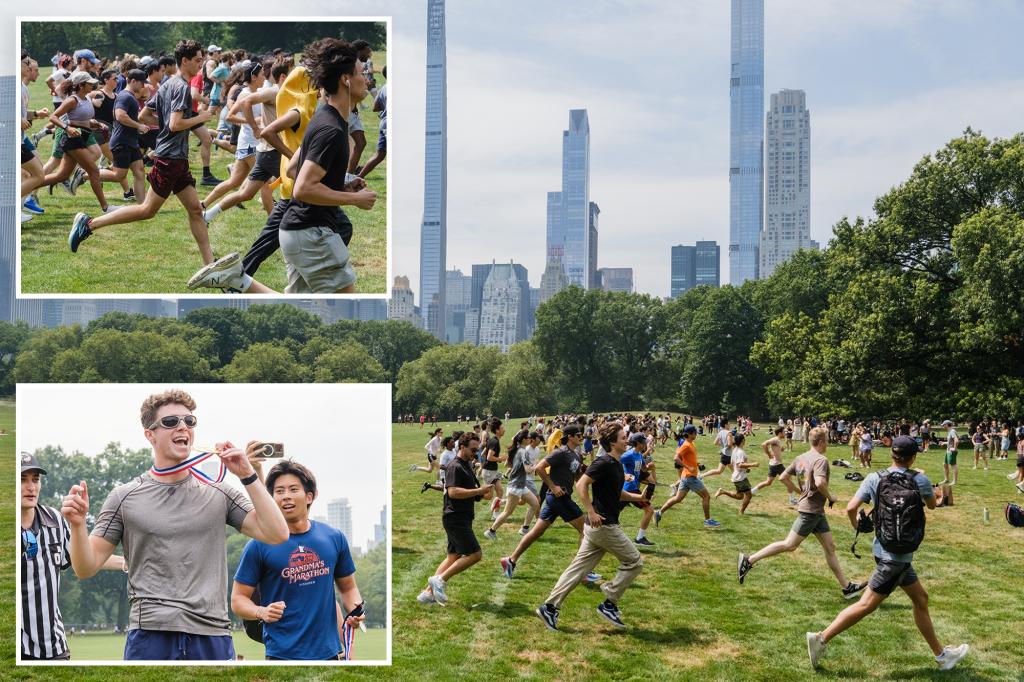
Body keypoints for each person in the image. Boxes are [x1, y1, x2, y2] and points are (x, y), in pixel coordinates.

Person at [60, 389, 289, 660]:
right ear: (150, 434)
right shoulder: (124, 496)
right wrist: (77, 526)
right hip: (150, 633)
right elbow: (85, 567)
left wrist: (248, 475)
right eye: (170, 422)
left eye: (189, 422)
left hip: (212, 632)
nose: (183, 427)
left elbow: (277, 534)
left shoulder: (219, 492)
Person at [805, 437, 969, 671]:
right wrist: (924, 482)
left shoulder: (875, 478)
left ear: (892, 454)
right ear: (913, 457)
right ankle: (820, 638)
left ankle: (942, 656)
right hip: (896, 559)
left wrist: (857, 526)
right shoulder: (919, 479)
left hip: (883, 550)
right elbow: (933, 505)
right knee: (866, 605)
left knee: (920, 599)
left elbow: (851, 508)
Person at [232, 460, 365, 660]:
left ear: (310, 496)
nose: (286, 496)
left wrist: (355, 609)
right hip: (281, 656)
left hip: (329, 654)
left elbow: (347, 588)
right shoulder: (259, 545)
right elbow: (237, 600)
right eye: (279, 491)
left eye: (293, 489)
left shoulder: (333, 538)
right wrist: (261, 611)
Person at [536, 422, 647, 631]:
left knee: (577, 570)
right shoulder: (603, 462)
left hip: (596, 528)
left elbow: (616, 492)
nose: (627, 440)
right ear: (613, 442)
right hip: (603, 525)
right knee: (634, 561)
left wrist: (637, 496)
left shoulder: (616, 463)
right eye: (623, 437)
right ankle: (609, 601)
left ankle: (549, 607)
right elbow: (581, 484)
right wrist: (591, 511)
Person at [738, 427, 866, 600]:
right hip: (811, 511)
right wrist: (831, 497)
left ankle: (847, 588)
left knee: (830, 547)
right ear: (821, 442)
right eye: (826, 441)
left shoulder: (800, 458)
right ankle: (749, 560)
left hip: (816, 511)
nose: (827, 443)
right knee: (790, 544)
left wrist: (801, 492)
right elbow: (820, 483)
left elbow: (783, 477)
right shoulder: (821, 460)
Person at [20, 452, 124, 660]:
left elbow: (83, 558)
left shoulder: (55, 520)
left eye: (35, 479)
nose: (31, 487)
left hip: (55, 648)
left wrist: (128, 562)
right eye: (22, 480)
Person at [499, 425, 598, 582]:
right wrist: (552, 486)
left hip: (559, 498)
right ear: (570, 436)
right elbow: (539, 468)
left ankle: (510, 560)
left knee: (536, 532)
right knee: (586, 530)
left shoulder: (577, 455)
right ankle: (582, 572)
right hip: (559, 497)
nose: (582, 436)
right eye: (578, 434)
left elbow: (578, 477)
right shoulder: (561, 452)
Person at [417, 433, 494, 605]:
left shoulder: (467, 466)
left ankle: (427, 594)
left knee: (453, 556)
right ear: (462, 447)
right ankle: (440, 580)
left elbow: (475, 494)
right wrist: (478, 491)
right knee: (475, 554)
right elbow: (452, 492)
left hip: (462, 517)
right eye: (473, 449)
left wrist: (486, 491)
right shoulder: (455, 467)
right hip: (455, 518)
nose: (476, 452)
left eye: (478, 449)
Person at [656, 425, 720, 528]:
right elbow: (676, 458)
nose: (696, 434)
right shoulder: (686, 445)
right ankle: (707, 521)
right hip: (690, 477)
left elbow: (690, 458)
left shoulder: (691, 444)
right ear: (690, 434)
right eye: (695, 432)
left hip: (686, 477)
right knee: (706, 496)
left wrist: (698, 464)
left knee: (678, 498)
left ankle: (659, 512)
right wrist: (688, 467)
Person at [485, 430, 540, 538]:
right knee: (507, 512)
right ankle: (491, 531)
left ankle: (524, 529)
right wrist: (537, 465)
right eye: (529, 437)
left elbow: (507, 465)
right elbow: (528, 470)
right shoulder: (523, 452)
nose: (530, 439)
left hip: (520, 485)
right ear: (524, 439)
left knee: (535, 504)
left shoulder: (518, 450)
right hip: (516, 486)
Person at [620, 433, 655, 545]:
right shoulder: (628, 455)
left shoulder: (639, 455)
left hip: (632, 488)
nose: (646, 443)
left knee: (613, 512)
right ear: (638, 443)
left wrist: (649, 467)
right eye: (644, 441)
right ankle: (640, 538)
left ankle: (599, 531)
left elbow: (643, 469)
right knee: (649, 510)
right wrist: (624, 475)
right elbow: (614, 463)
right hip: (629, 489)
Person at [751, 426, 800, 504]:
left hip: (773, 465)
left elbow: (776, 448)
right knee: (789, 481)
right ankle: (793, 499)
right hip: (777, 465)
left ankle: (752, 491)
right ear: (780, 433)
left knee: (768, 482)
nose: (785, 433)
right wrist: (768, 454)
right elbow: (764, 444)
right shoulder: (775, 439)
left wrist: (781, 448)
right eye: (784, 432)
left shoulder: (778, 441)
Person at [714, 433, 758, 514]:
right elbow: (739, 464)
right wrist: (753, 464)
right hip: (740, 477)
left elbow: (733, 463)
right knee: (748, 495)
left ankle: (723, 491)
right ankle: (741, 511)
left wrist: (746, 469)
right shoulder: (740, 452)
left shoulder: (734, 450)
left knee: (740, 496)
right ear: (743, 441)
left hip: (737, 476)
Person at [940, 420, 958, 486]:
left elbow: (956, 440)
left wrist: (954, 448)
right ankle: (946, 479)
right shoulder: (950, 431)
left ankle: (954, 481)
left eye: (943, 425)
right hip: (948, 451)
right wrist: (944, 443)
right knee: (945, 464)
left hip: (951, 451)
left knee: (953, 466)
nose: (943, 426)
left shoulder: (952, 431)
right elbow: (951, 442)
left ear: (947, 425)